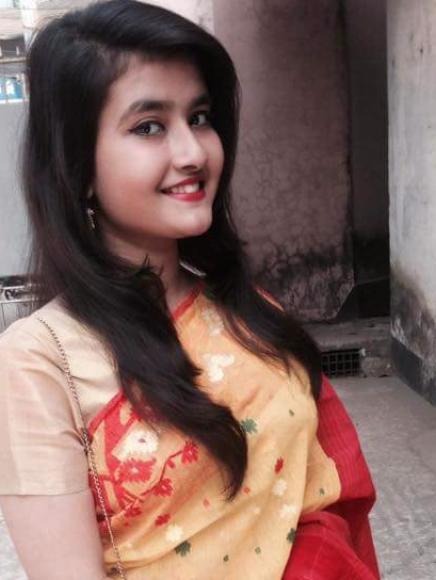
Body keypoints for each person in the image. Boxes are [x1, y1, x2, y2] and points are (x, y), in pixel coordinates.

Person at [0, 1, 380, 578]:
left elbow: (329, 497)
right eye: (149, 126)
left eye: (199, 117)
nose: (193, 153)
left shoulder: (251, 313)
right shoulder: (39, 362)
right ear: (77, 164)